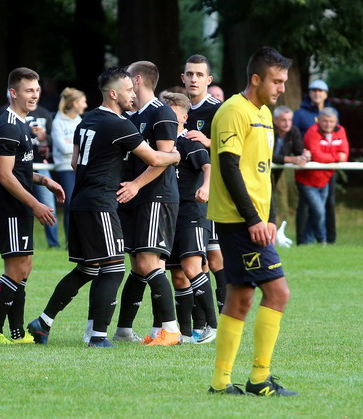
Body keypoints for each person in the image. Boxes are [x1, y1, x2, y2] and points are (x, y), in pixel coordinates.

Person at [27, 67, 180, 348]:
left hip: (81, 200)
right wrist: (176, 155)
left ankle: (43, 322)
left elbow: (75, 162)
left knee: (88, 269)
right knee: (114, 268)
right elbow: (155, 159)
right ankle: (98, 336)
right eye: (128, 90)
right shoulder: (119, 124)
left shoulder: (86, 121)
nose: (133, 95)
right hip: (101, 203)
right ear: (113, 94)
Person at [207, 47, 297, 396]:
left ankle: (220, 382)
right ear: (256, 79)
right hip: (239, 221)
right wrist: (253, 220)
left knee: (241, 296)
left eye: (284, 81)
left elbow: (263, 172)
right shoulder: (234, 110)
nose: (281, 88)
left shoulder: (264, 114)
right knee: (278, 292)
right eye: (276, 81)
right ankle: (259, 379)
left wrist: (270, 218)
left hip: (254, 221)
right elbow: (229, 168)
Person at [0, 67, 65, 344]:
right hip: (10, 208)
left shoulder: (22, 123)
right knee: (16, 270)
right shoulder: (7, 125)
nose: (35, 95)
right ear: (13, 92)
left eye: (37, 90)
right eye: (29, 90)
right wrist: (35, 204)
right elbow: (5, 175)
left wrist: (44, 180)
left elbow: (19, 170)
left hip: (19, 206)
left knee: (25, 267)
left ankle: (17, 332)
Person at [112, 61, 181, 346]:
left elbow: (164, 158)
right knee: (138, 265)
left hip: (156, 196)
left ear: (138, 79)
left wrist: (137, 184)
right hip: (133, 197)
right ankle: (124, 330)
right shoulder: (130, 115)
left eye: (128, 77)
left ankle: (171, 330)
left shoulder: (161, 112)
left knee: (150, 262)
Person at [160, 92, 216, 344]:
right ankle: (183, 333)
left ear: (184, 117)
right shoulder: (162, 144)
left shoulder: (189, 140)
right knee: (178, 276)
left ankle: (212, 326)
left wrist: (205, 187)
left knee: (193, 268)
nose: (169, 119)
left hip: (192, 212)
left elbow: (208, 166)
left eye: (174, 115)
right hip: (171, 215)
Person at [180, 54, 224, 341]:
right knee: (198, 262)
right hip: (186, 197)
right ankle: (200, 325)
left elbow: (235, 149)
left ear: (209, 79)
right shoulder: (177, 110)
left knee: (215, 258)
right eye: (189, 74)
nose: (194, 79)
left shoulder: (218, 111)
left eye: (199, 74)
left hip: (213, 194)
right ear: (182, 78)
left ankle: (224, 320)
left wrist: (208, 141)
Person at [293, 79, 339, 244]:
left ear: (326, 94)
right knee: (305, 205)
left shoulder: (333, 112)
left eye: (320, 90)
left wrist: (334, 156)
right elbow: (295, 137)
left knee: (329, 203)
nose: (317, 93)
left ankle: (329, 240)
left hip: (328, 167)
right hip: (307, 167)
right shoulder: (300, 114)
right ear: (309, 93)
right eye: (314, 90)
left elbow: (337, 137)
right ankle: (303, 241)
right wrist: (302, 154)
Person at [295, 107, 349, 245]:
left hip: (325, 179)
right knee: (319, 212)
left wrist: (333, 157)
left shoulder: (341, 130)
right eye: (325, 121)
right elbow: (317, 156)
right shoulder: (312, 132)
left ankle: (306, 241)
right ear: (318, 120)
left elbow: (345, 153)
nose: (328, 124)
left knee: (316, 212)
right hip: (307, 180)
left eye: (331, 121)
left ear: (336, 121)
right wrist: (336, 157)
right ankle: (322, 240)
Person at [51, 87, 87, 243]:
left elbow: (86, 145)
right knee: (70, 204)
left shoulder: (81, 121)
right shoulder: (58, 122)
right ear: (74, 103)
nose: (85, 105)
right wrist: (77, 145)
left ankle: (80, 238)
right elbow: (63, 148)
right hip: (65, 168)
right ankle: (69, 241)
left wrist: (70, 143)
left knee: (82, 202)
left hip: (80, 166)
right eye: (83, 102)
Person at [28, 104, 60, 249]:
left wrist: (44, 138)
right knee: (22, 206)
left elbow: (53, 139)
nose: (34, 95)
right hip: (19, 166)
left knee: (49, 206)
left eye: (36, 92)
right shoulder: (7, 114)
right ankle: (26, 243)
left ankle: (53, 243)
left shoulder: (44, 112)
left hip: (41, 165)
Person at [271, 106, 310, 186]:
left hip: (276, 172)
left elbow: (299, 150)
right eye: (283, 120)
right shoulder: (267, 130)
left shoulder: (293, 131)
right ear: (275, 120)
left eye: (290, 120)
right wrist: (291, 159)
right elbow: (265, 155)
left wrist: (305, 155)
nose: (287, 124)